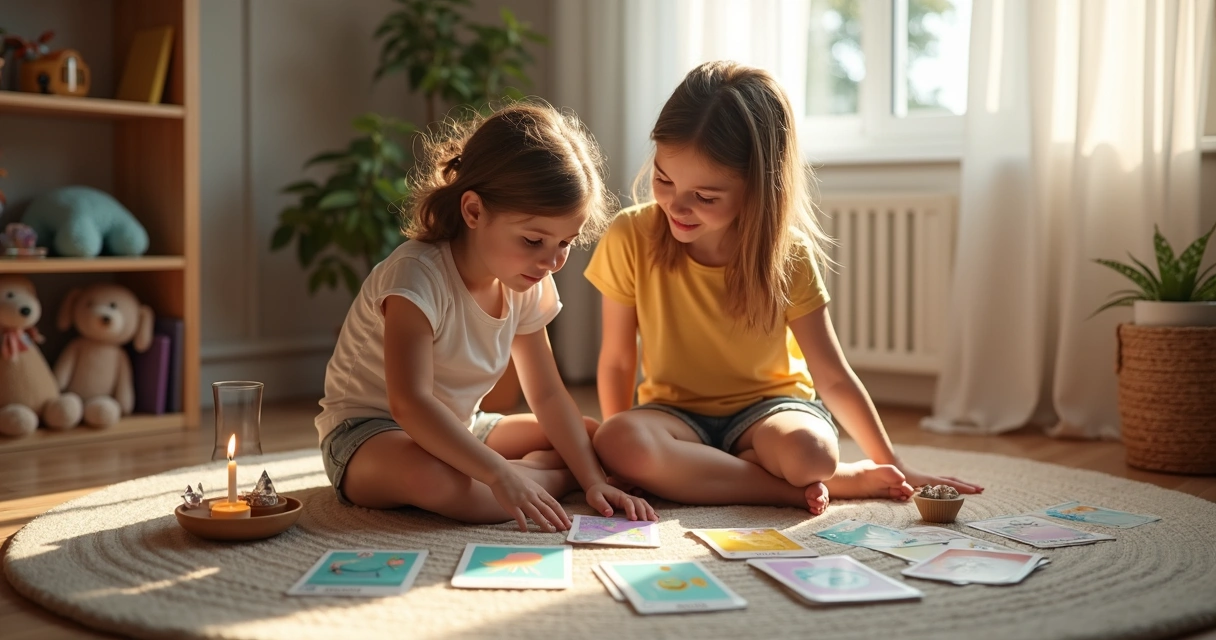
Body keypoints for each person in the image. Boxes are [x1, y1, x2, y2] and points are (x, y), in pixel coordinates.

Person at [587, 62, 982, 516]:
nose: (677, 204)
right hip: (674, 416)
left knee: (813, 454)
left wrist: (893, 463)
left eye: (706, 196)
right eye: (663, 179)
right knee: (616, 439)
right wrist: (617, 466)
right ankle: (785, 490)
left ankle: (721, 472)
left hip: (771, 411)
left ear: (757, 187)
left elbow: (832, 375)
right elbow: (617, 359)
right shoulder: (629, 234)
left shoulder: (786, 254)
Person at [316, 102, 656, 532]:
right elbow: (411, 404)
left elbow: (548, 395)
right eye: (534, 239)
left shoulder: (526, 281)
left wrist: (592, 480)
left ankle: (545, 477)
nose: (552, 261)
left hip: (463, 426)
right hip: (367, 435)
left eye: (565, 243)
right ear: (474, 211)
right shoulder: (415, 277)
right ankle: (537, 478)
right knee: (436, 480)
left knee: (587, 434)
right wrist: (500, 473)